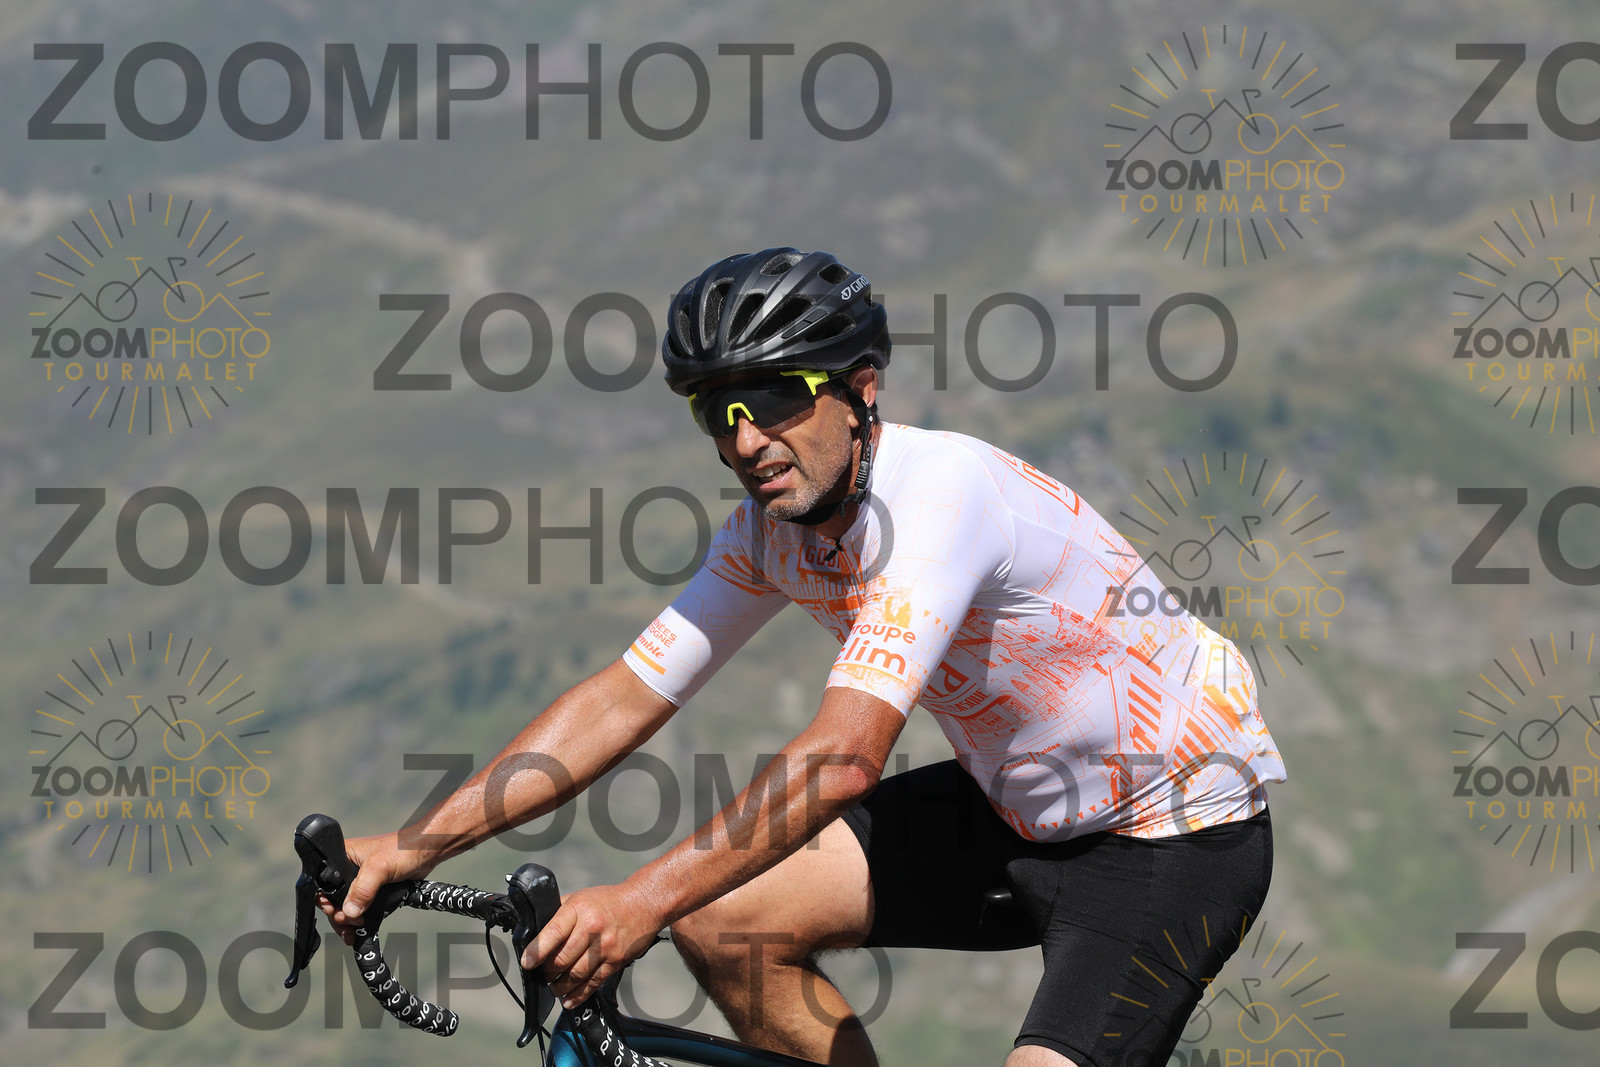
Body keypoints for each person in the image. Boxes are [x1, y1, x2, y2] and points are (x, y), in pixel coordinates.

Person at [322, 248, 1286, 1067]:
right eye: (718, 410)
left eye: (779, 395)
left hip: (1173, 834)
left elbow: (844, 756)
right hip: (1015, 809)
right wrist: (415, 845)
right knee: (725, 923)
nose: (748, 438)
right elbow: (622, 698)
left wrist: (639, 899)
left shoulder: (941, 497)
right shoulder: (768, 533)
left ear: (860, 391)